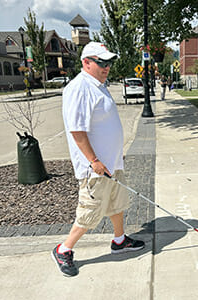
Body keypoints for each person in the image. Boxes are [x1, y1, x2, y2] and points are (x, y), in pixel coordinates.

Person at [52, 42, 145, 277]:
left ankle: (119, 240)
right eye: (102, 63)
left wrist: (114, 152)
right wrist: (94, 160)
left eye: (109, 63)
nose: (107, 67)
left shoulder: (99, 85)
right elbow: (77, 130)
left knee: (117, 203)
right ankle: (64, 249)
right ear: (87, 63)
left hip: (111, 163)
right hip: (95, 168)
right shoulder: (80, 88)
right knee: (89, 211)